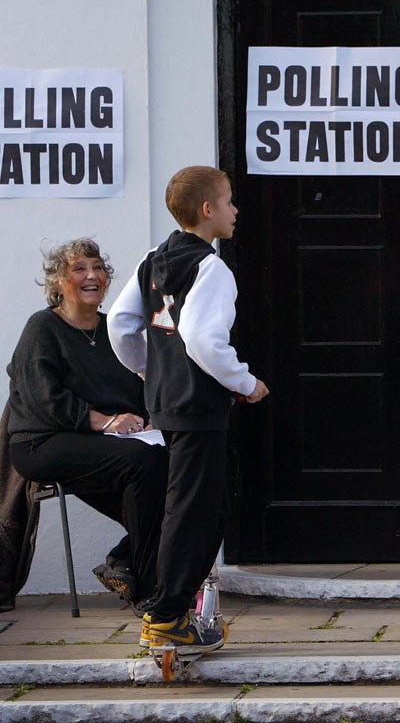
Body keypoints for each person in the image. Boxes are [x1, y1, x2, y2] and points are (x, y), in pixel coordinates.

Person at [107, 165, 269, 656]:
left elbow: (120, 324)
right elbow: (202, 339)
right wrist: (247, 382)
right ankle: (168, 616)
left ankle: (168, 611)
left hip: (166, 402)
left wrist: (147, 374)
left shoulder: (153, 258)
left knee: (187, 505)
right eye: (229, 201)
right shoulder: (212, 267)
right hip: (199, 406)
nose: (236, 210)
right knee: (195, 511)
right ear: (207, 210)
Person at [5, 238, 168, 615]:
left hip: (102, 443)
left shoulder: (114, 331)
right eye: (79, 269)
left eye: (98, 267)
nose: (92, 275)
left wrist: (146, 417)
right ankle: (147, 590)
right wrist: (107, 421)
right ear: (59, 282)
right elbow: (44, 399)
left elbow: (141, 385)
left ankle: (125, 562)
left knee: (181, 466)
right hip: (43, 442)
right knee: (144, 463)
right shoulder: (42, 327)